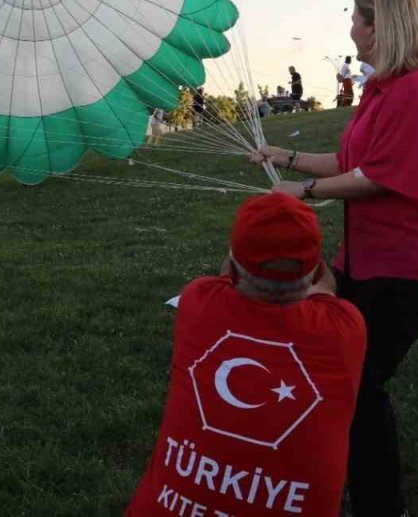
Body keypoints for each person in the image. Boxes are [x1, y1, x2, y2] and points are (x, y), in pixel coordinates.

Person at [248, 0, 418, 517]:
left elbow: (384, 176)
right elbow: (350, 163)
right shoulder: (379, 91)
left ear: (379, 27)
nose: (350, 29)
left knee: (360, 386)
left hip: (412, 267)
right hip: (367, 263)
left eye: (356, 20)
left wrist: (303, 192)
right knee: (339, 378)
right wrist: (284, 156)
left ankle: (381, 506)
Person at [126, 193, 366, 517]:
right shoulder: (345, 328)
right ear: (316, 271)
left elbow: (225, 277)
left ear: (234, 270)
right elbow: (325, 290)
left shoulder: (198, 302)